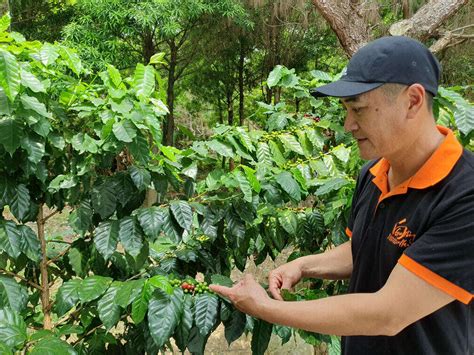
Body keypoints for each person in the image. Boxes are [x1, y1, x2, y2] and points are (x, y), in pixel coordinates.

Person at [210, 36, 473, 354]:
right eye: (347, 111)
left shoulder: (464, 194)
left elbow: (388, 313)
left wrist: (265, 308)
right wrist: (304, 265)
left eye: (359, 110)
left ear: (413, 101)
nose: (348, 124)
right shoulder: (374, 172)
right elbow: (368, 246)